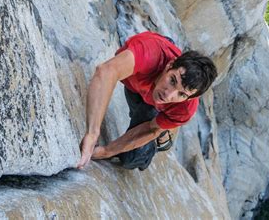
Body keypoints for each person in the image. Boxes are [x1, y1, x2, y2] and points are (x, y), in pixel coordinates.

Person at [76, 31, 217, 170]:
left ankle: (162, 138)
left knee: (131, 158)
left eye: (181, 94)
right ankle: (168, 46)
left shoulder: (185, 108)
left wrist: (106, 151)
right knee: (145, 85)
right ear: (169, 65)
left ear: (190, 98)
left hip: (155, 105)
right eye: (172, 80)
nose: (169, 94)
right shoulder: (150, 54)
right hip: (148, 69)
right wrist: (92, 133)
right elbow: (106, 71)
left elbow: (151, 129)